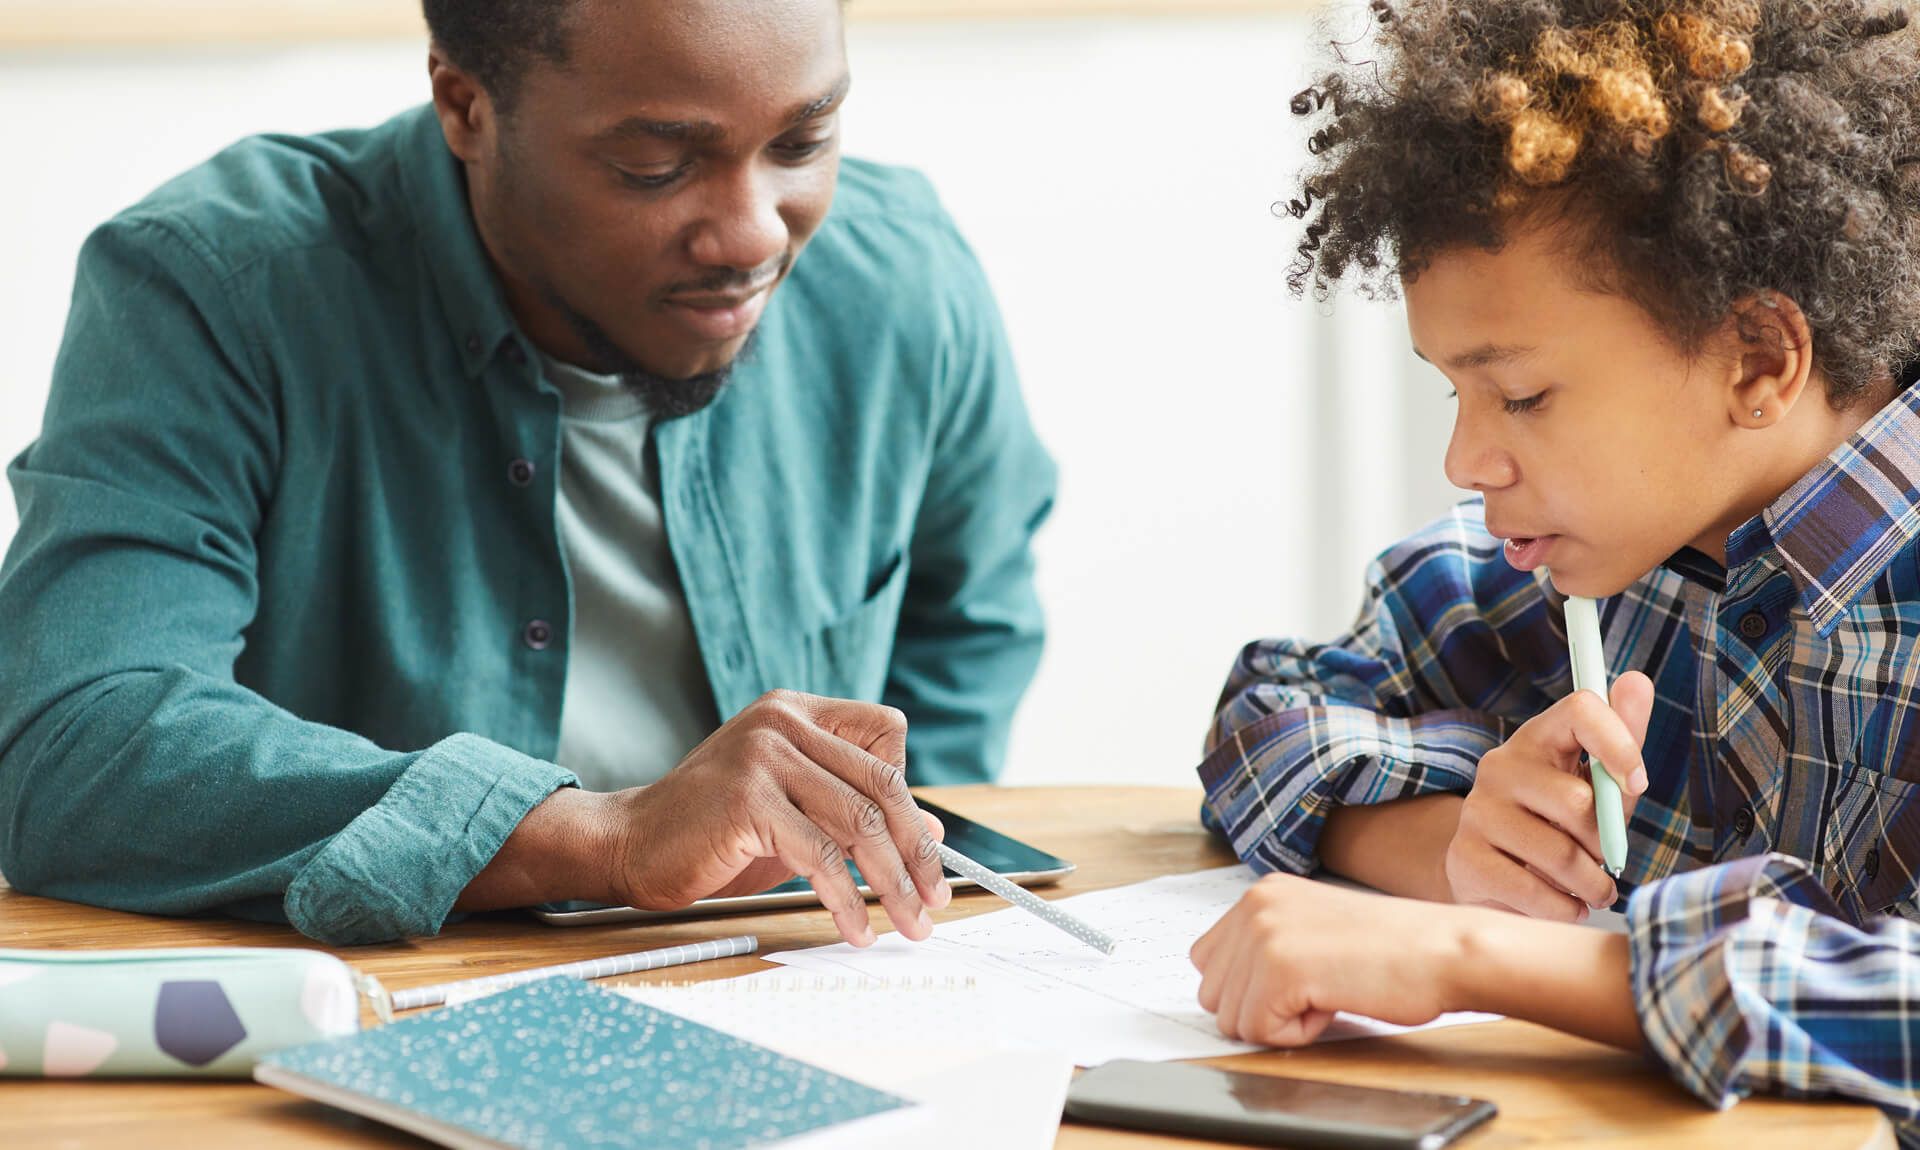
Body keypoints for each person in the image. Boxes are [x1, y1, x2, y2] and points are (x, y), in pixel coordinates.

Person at [0, 0, 1056, 949]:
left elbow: (973, 613)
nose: (750, 232)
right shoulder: (218, 287)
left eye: (803, 138)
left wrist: (883, 853)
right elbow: (74, 742)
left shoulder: (902, 276)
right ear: (465, 106)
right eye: (657, 166)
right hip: (385, 999)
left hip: (807, 974)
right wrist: (603, 837)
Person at [1189, 0, 1920, 1136]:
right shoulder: (1617, 550)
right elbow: (1272, 707)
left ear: (1758, 359)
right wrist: (1455, 856)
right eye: (1456, 390)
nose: (1466, 457)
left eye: (1522, 394)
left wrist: (1482, 954)